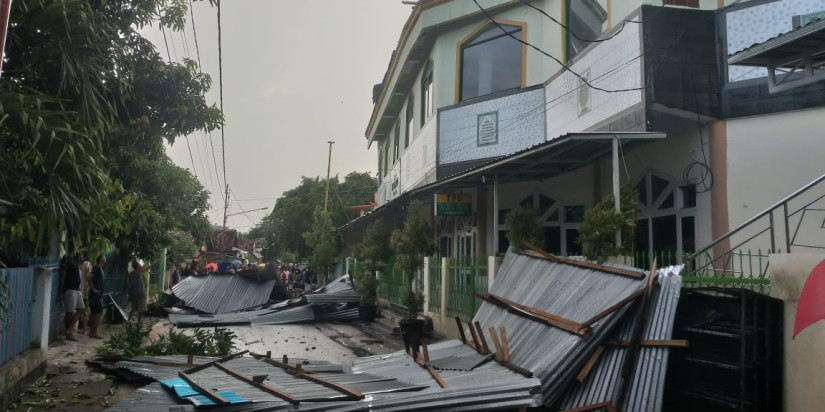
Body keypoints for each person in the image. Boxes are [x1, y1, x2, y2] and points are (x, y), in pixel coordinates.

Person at [58, 247, 85, 341]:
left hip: (76, 289)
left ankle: (69, 329)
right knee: (69, 312)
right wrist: (61, 292)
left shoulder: (73, 259)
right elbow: (62, 276)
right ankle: (69, 333)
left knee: (81, 309)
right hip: (70, 289)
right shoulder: (65, 259)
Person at [124, 257, 155, 323]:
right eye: (139, 264)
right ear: (137, 266)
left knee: (133, 309)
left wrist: (127, 292)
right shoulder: (139, 272)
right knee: (140, 310)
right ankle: (139, 322)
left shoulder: (131, 274)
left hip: (134, 293)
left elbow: (129, 285)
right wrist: (155, 261)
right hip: (140, 294)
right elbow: (149, 267)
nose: (141, 265)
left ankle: (128, 320)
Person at [88, 255, 106, 339]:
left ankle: (92, 331)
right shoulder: (97, 268)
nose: (105, 258)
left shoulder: (100, 269)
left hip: (97, 294)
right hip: (95, 295)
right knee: (97, 313)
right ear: (100, 259)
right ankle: (93, 332)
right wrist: (94, 289)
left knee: (95, 313)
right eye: (104, 257)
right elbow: (89, 277)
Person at [78, 259, 92, 334]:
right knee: (84, 310)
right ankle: (83, 329)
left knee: (83, 310)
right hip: (84, 291)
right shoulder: (86, 265)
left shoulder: (84, 265)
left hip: (83, 291)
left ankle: (83, 329)